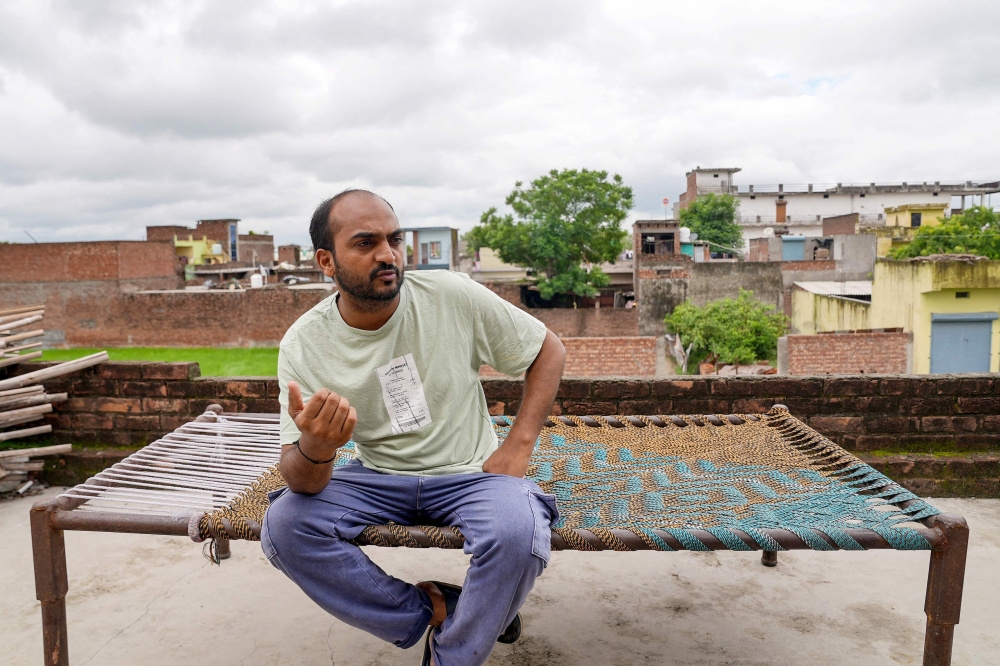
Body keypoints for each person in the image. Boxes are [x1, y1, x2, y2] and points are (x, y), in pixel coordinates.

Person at [262, 189, 566, 666]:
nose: (387, 255)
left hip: (471, 476)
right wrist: (316, 447)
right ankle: (438, 608)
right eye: (365, 243)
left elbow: (548, 349)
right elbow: (301, 479)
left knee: (519, 533)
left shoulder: (451, 295)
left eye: (394, 239)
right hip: (377, 477)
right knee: (284, 526)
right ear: (326, 261)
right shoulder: (305, 343)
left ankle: (451, 656)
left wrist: (519, 445)